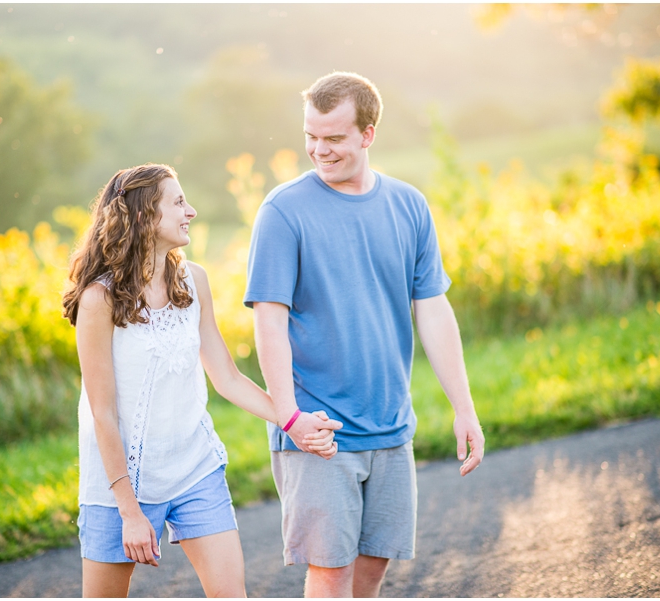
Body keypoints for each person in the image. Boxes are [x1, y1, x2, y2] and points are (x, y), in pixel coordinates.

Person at [244, 72, 486, 597]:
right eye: (310, 135)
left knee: (373, 569)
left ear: (368, 134)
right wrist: (290, 417)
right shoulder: (283, 212)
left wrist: (463, 406)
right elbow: (269, 322)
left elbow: (434, 310)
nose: (318, 150)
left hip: (391, 425)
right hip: (319, 430)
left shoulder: (408, 206)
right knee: (330, 573)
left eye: (333, 138)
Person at [61, 163, 342, 598]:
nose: (190, 211)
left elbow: (227, 377)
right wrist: (130, 511)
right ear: (142, 217)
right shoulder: (99, 298)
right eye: (177, 202)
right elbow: (103, 412)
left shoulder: (194, 281)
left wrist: (293, 422)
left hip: (195, 469)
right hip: (121, 486)